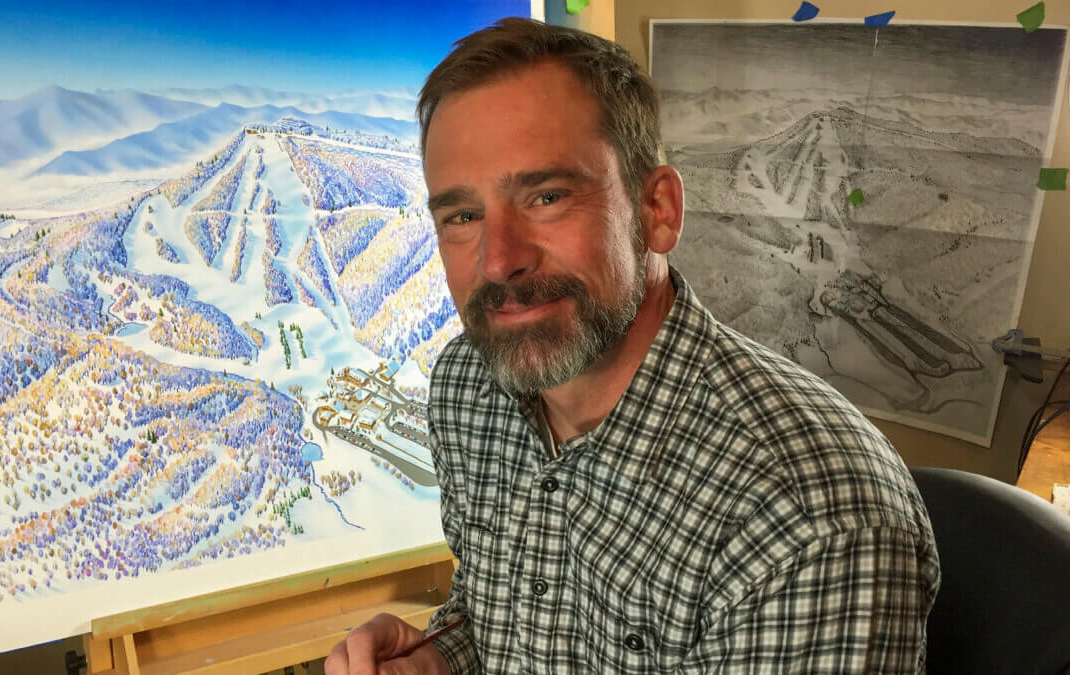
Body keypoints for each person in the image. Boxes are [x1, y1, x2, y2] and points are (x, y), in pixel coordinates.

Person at [326, 17, 939, 675]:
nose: (497, 260)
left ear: (658, 212)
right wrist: (440, 659)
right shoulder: (469, 388)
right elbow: (498, 615)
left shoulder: (809, 521)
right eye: (462, 216)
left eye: (547, 196)